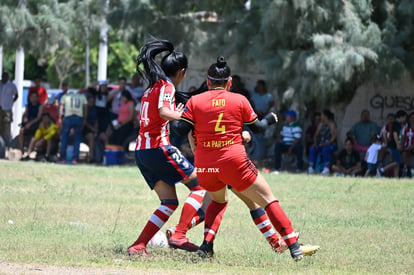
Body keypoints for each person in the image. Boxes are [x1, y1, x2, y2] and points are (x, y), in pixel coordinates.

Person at [177, 56, 319, 261]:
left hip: (205, 166)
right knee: (268, 200)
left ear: (208, 82)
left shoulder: (194, 101)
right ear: (229, 82)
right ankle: (293, 246)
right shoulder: (239, 99)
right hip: (234, 162)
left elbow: (180, 129)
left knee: (217, 201)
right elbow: (258, 128)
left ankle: (206, 246)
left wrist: (179, 114)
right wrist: (271, 118)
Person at [127, 39, 207, 256]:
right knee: (200, 188)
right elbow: (164, 112)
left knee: (169, 202)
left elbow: (157, 113)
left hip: (142, 152)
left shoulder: (151, 87)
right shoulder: (166, 86)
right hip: (158, 149)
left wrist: (176, 110)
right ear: (181, 71)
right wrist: (186, 115)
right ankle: (180, 234)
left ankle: (138, 245)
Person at [249, 80, 274, 165]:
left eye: (260, 85)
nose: (259, 87)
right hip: (256, 116)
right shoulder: (254, 96)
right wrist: (256, 111)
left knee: (266, 135)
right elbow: (251, 105)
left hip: (266, 116)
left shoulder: (269, 96)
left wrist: (266, 113)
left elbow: (271, 106)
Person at [58, 90, 87, 164]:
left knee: (64, 138)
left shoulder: (65, 96)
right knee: (77, 138)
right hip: (78, 117)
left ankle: (63, 157)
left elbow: (61, 107)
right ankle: (75, 158)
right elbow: (85, 108)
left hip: (68, 117)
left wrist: (60, 118)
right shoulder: (82, 97)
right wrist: (84, 119)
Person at [377, 110, 407, 177]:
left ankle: (396, 177)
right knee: (398, 161)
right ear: (401, 117)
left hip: (390, 145)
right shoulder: (397, 124)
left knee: (397, 162)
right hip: (393, 146)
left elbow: (384, 132)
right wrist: (397, 144)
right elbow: (395, 134)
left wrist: (386, 141)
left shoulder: (391, 124)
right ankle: (382, 170)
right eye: (404, 118)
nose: (405, 119)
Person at [307, 109, 337, 175]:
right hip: (321, 144)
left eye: (322, 115)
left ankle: (326, 168)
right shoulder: (320, 124)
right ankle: (311, 167)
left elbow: (334, 136)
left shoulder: (332, 124)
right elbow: (315, 135)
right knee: (312, 149)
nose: (321, 117)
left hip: (330, 144)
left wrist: (327, 143)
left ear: (325, 116)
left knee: (325, 149)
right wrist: (315, 143)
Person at [0, 71, 18, 146]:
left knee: (7, 127)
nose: (5, 77)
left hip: (7, 109)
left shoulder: (11, 85)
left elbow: (16, 95)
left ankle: (7, 144)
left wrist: (11, 102)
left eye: (6, 76)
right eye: (3, 76)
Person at [83, 93, 98, 163]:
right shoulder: (84, 109)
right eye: (90, 102)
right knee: (91, 138)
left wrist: (95, 127)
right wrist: (92, 128)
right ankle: (91, 157)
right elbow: (84, 121)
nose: (91, 104)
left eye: (93, 102)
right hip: (86, 128)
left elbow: (96, 119)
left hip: (93, 128)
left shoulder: (94, 109)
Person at [401, 112, 414, 177]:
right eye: (411, 118)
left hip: (412, 146)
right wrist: (401, 146)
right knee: (404, 153)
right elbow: (403, 138)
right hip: (407, 147)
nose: (413, 119)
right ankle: (408, 169)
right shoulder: (406, 128)